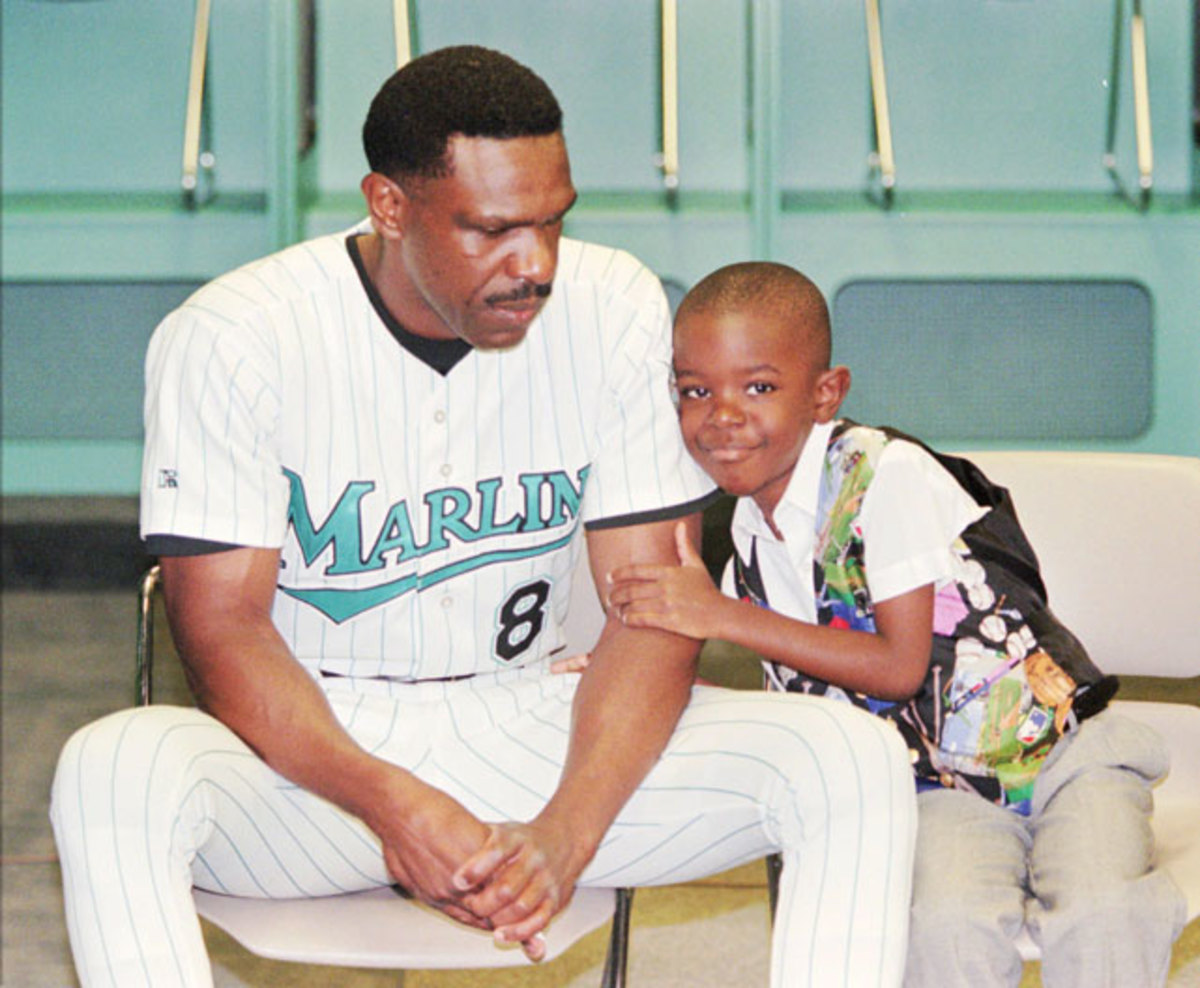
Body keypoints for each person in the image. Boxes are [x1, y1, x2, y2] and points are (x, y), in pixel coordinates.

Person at [49, 48, 917, 988]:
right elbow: (222, 630)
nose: (534, 263)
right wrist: (392, 805)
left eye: (553, 221)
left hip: (540, 727)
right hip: (314, 766)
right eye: (493, 230)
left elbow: (655, 607)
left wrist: (565, 836)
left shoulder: (614, 305)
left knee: (848, 757)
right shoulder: (235, 338)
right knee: (112, 769)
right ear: (389, 205)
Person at [600, 260, 1187, 987]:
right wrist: (615, 667)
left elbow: (898, 667)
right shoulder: (746, 534)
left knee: (1102, 909)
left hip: (1065, 757)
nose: (722, 415)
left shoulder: (888, 473)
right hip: (939, 791)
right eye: (695, 391)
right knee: (942, 925)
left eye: (758, 387)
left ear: (826, 394)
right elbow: (751, 665)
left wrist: (722, 617)